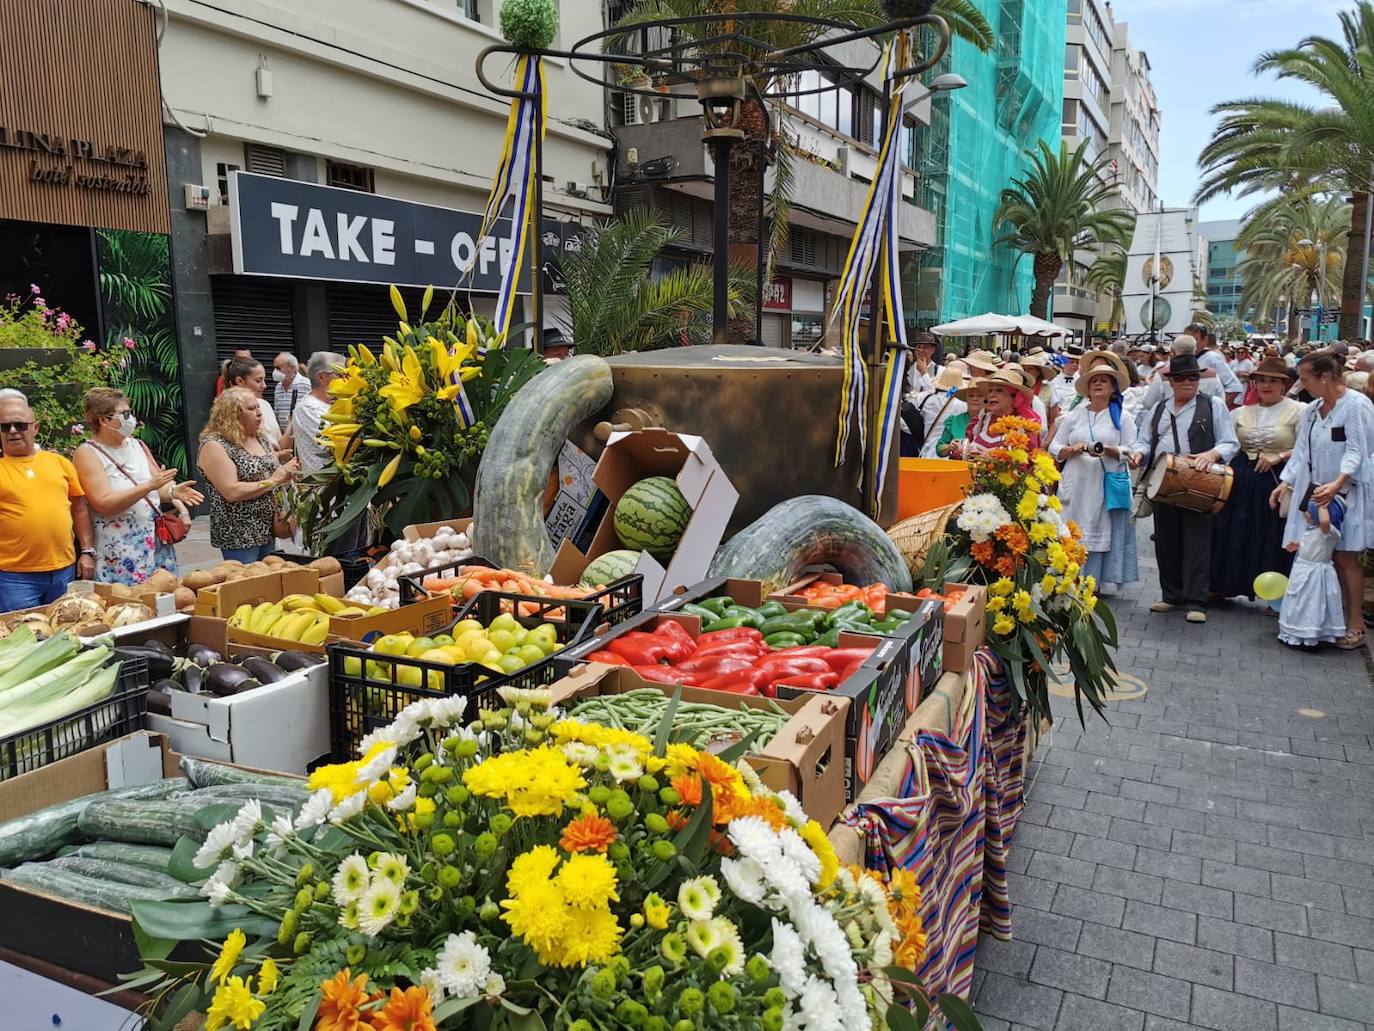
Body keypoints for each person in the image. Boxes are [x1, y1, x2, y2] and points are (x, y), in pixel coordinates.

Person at [1270, 351, 1374, 649]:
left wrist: (1338, 483)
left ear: (1325, 377)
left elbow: (1359, 450)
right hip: (1315, 493)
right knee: (1316, 556)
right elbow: (1302, 451)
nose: (1302, 385)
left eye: (1305, 379)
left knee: (1344, 557)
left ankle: (1356, 624)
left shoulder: (1356, 406)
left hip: (1346, 494)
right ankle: (1325, 620)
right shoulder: (1312, 410)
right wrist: (1287, 482)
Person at [1128, 353, 1240, 624]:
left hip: (1198, 480)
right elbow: (1144, 440)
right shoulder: (1159, 408)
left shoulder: (1212, 405)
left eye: (1193, 377)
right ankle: (1172, 595)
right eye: (1181, 378)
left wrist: (1211, 455)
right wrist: (1139, 453)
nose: (1188, 382)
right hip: (1164, 480)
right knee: (1166, 540)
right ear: (1171, 381)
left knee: (1197, 543)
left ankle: (1196, 601)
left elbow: (1230, 442)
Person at [71, 388, 203, 586]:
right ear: (103, 420)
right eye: (124, 414)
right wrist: (149, 486)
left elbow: (158, 487)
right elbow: (104, 503)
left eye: (130, 412)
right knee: (128, 601)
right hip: (119, 549)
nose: (131, 419)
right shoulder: (88, 453)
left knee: (166, 594)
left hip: (155, 540)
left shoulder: (137, 445)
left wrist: (173, 492)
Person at [1209, 358, 1303, 602]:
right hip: (1242, 478)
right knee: (1235, 530)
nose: (1266, 385)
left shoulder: (1299, 411)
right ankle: (1225, 584)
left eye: (1273, 381)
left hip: (1278, 480)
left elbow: (1307, 447)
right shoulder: (1240, 413)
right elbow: (1228, 443)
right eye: (1261, 380)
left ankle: (1276, 595)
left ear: (1284, 384)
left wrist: (1280, 456)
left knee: (1273, 535)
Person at [1049, 352, 1139, 595]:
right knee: (1071, 525)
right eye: (1094, 380)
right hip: (1076, 480)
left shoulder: (1122, 417)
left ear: (1113, 387)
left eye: (1104, 380)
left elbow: (1132, 449)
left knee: (1098, 525)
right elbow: (1054, 445)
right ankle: (1066, 577)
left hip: (1103, 481)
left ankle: (1093, 581)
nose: (1098, 384)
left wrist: (1108, 450)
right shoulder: (1074, 415)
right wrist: (1071, 450)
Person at [0, 395, 95, 609]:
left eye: (20, 425)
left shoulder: (60, 463)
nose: (12, 431)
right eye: (5, 427)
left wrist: (87, 551)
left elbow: (80, 510)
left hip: (64, 571)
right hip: (15, 578)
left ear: (35, 428)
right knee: (24, 630)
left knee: (67, 626)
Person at [198, 387, 300, 563]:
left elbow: (268, 468)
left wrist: (287, 472)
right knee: (247, 578)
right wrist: (274, 480)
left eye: (258, 407)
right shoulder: (215, 445)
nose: (259, 413)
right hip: (238, 532)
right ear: (233, 413)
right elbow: (231, 491)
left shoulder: (259, 437)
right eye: (252, 408)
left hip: (267, 527)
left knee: (271, 574)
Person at [1277, 497, 1347, 648]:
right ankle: (1294, 632)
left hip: (1316, 575)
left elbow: (1324, 523)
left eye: (1310, 511)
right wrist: (1299, 545)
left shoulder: (1329, 531)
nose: (1306, 514)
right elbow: (1313, 543)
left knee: (1313, 604)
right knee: (1299, 602)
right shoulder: (1313, 529)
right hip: (1303, 570)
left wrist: (1323, 503)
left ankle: (1309, 635)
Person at [966, 368, 1043, 455]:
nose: (991, 395)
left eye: (999, 390)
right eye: (990, 390)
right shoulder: (982, 419)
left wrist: (992, 457)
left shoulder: (1026, 426)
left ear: (1015, 397)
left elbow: (1028, 460)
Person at [222, 357, 282, 452]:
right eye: (258, 381)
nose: (264, 386)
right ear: (240, 381)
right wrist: (278, 455)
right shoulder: (228, 413)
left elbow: (280, 445)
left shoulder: (265, 405)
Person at [911, 362, 968, 458]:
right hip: (948, 452)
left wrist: (924, 374)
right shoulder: (962, 403)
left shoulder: (926, 399)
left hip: (926, 452)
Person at [938, 379, 986, 459]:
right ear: (966, 399)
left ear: (986, 400)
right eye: (971, 395)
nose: (975, 398)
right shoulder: (954, 420)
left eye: (980, 395)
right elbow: (939, 449)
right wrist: (949, 447)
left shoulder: (991, 421)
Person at [271, 353, 310, 432]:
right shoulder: (278, 387)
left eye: (278, 368)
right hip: (283, 434)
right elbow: (277, 412)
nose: (275, 371)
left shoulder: (306, 384)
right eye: (274, 368)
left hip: (301, 433)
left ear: (292, 368)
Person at [1050, 346, 1082, 410]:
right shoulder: (1054, 381)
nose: (1075, 365)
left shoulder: (1081, 380)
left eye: (1077, 362)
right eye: (1071, 362)